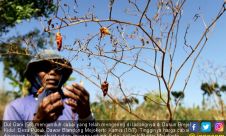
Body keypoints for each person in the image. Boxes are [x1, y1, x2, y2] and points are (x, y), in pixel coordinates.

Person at [3, 50, 95, 135]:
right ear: (34, 73)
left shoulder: (73, 106)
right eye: (45, 68)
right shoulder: (16, 108)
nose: (52, 72)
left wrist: (86, 116)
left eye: (58, 68)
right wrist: (37, 125)